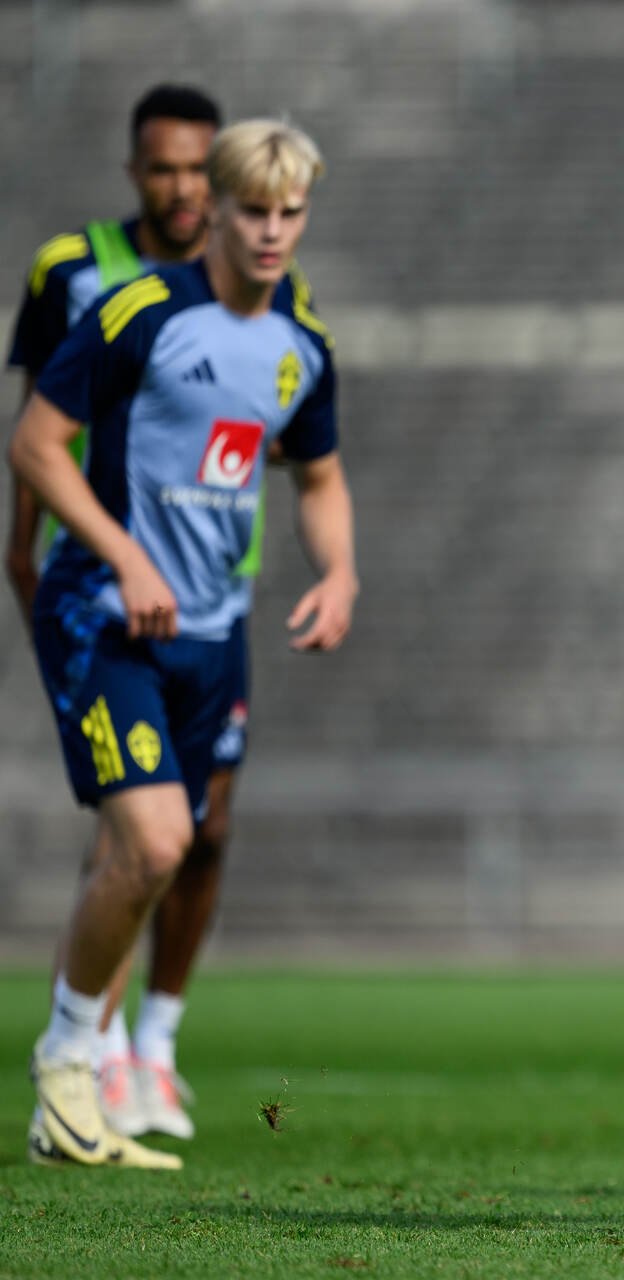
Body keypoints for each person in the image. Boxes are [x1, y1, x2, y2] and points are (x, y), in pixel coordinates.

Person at [13, 118, 357, 1169]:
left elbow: (322, 477)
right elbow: (33, 443)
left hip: (214, 634)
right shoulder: (141, 311)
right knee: (154, 840)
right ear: (213, 204)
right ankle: (72, 1061)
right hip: (104, 613)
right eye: (253, 209)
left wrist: (339, 570)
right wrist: (121, 553)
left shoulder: (301, 344)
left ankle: (98, 1071)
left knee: (173, 844)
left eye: (290, 212)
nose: (271, 231)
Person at [5, 84, 266, 1144]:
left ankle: (152, 1043)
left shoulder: (251, 286)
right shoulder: (75, 272)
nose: (185, 189)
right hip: (111, 586)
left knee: (202, 828)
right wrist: (24, 550)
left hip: (219, 597)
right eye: (164, 168)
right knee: (140, 818)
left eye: (201, 169)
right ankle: (91, 1054)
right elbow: (39, 421)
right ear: (134, 172)